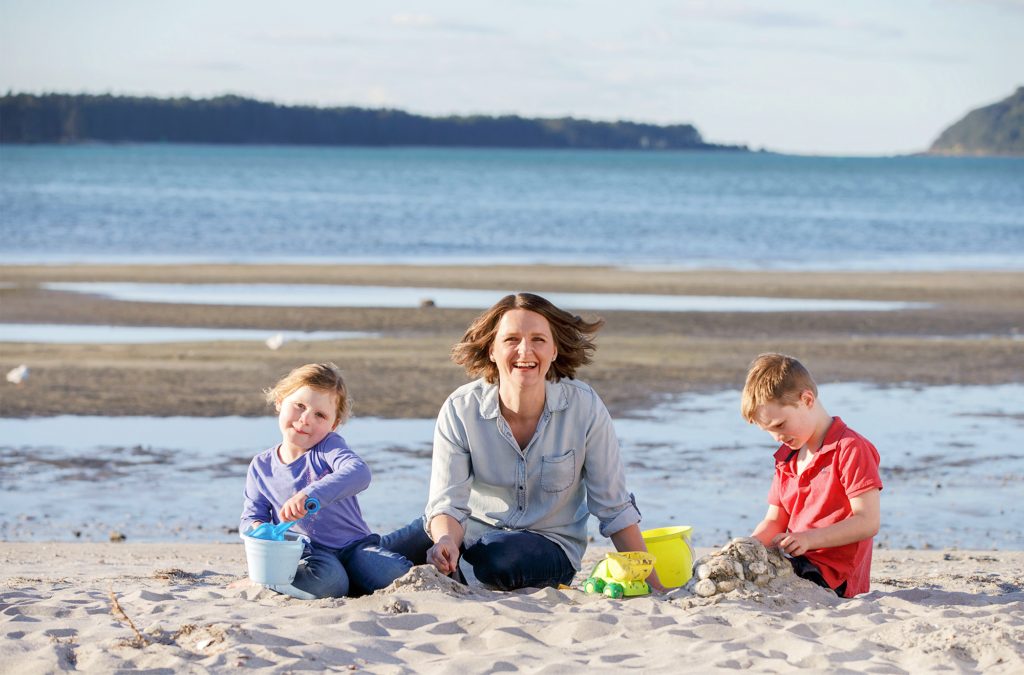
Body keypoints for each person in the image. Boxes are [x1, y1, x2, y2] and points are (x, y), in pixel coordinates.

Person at [382, 293, 663, 592]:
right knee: (374, 558)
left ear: (554, 350)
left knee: (497, 559)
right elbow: (447, 503)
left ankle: (458, 574)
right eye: (511, 339)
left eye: (538, 339)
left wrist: (655, 587)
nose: (524, 350)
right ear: (492, 349)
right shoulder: (461, 409)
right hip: (467, 533)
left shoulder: (585, 408)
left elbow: (614, 508)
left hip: (548, 548)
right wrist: (446, 541)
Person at [240, 363, 411, 599]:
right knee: (330, 584)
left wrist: (309, 495)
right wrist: (260, 529)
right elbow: (251, 518)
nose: (305, 419)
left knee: (396, 574)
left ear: (334, 424)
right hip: (307, 553)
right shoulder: (261, 466)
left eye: (319, 415)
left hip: (355, 547)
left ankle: (365, 569)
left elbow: (359, 472)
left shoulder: (328, 447)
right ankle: (268, 581)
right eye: (299, 406)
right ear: (280, 401)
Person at [742, 353, 882, 597]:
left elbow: (868, 522)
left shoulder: (850, 448)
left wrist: (808, 539)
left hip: (833, 576)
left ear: (806, 400)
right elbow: (775, 520)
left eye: (780, 425)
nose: (776, 437)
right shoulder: (787, 456)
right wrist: (749, 546)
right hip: (796, 561)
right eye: (768, 431)